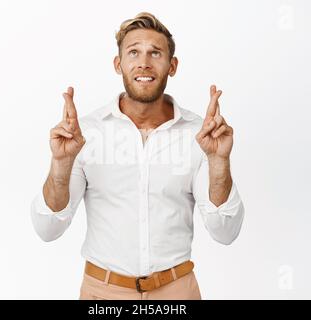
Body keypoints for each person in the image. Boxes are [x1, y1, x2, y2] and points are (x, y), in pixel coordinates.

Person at [30, 12, 245, 300]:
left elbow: (225, 233)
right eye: (134, 52)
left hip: (176, 293)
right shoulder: (85, 134)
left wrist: (219, 162)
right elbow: (48, 229)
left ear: (172, 66)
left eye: (155, 53)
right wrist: (61, 164)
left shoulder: (201, 135)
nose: (144, 62)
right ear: (119, 64)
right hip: (103, 295)